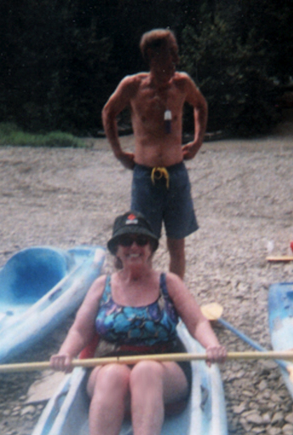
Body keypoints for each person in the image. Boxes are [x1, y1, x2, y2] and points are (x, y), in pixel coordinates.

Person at [50, 211, 226, 435]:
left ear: (152, 247)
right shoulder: (101, 285)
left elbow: (196, 323)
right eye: (127, 241)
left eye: (142, 240)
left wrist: (212, 345)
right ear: (116, 250)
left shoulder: (168, 282)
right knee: (111, 375)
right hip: (111, 360)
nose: (135, 246)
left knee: (145, 371)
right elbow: (80, 329)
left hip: (163, 364)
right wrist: (66, 352)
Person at [102, 28, 208, 279]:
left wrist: (197, 142)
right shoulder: (133, 86)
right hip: (144, 178)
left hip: (176, 176)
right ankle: (135, 296)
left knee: (177, 246)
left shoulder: (182, 84)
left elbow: (200, 105)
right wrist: (118, 152)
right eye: (170, 54)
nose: (175, 61)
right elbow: (108, 112)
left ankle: (174, 300)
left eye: (176, 54)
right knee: (138, 244)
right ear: (151, 55)